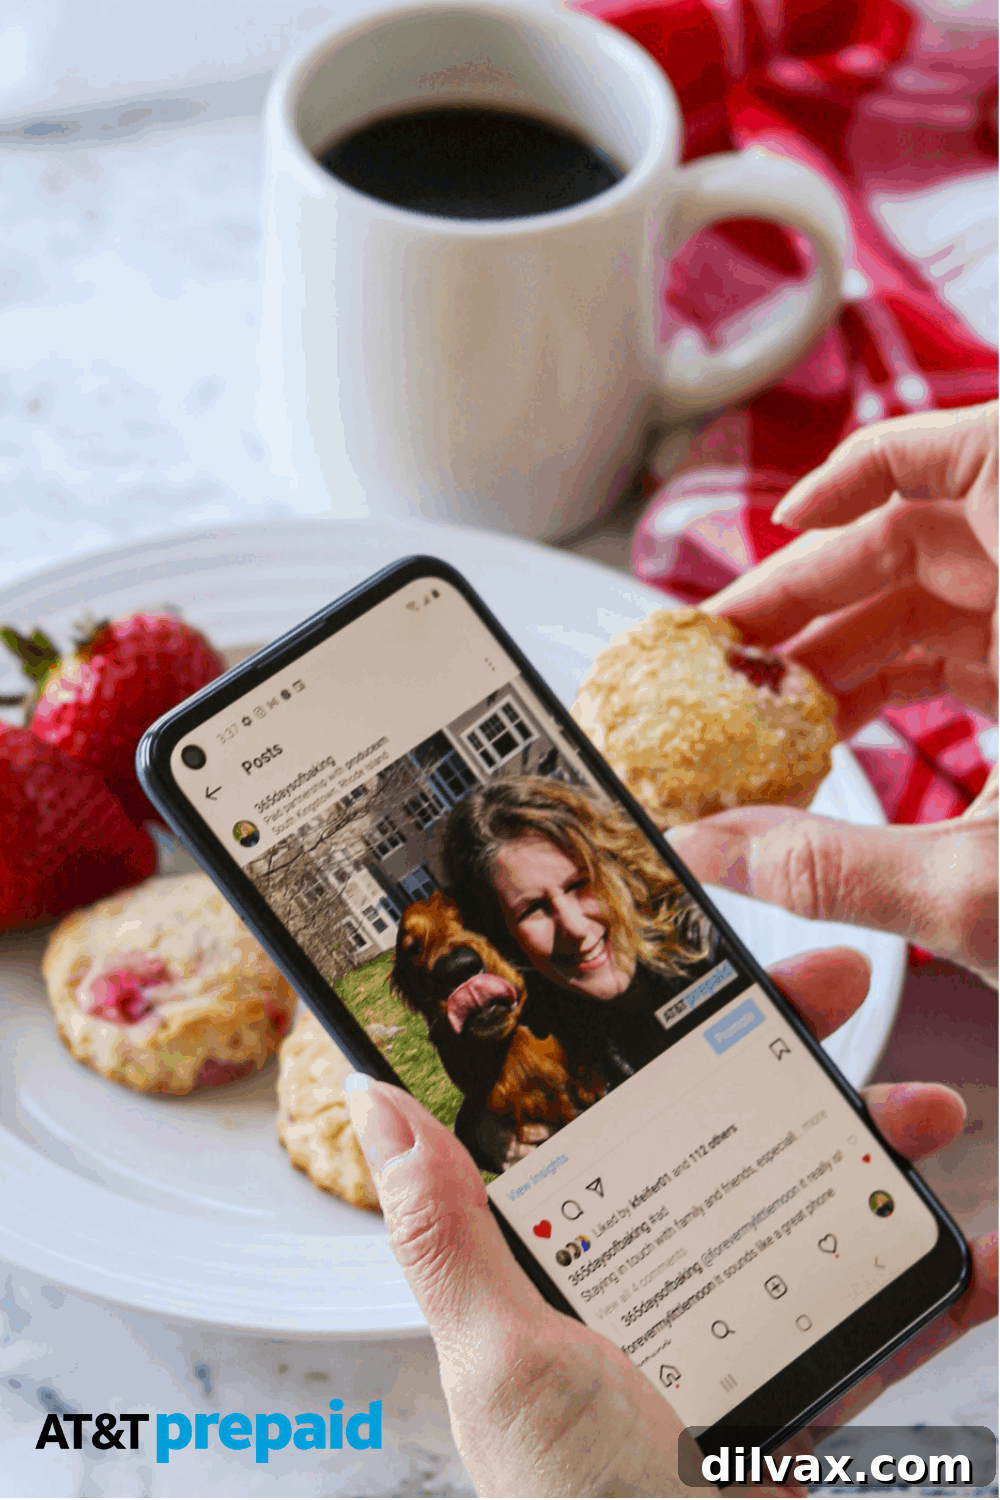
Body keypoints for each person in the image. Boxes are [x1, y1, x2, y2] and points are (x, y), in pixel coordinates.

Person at [345, 404, 997, 1496]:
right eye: (530, 916)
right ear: (497, 944)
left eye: (573, 888)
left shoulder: (697, 981)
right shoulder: (515, 1099)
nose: (575, 925)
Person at [439, 777, 721, 1082]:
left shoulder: (716, 940)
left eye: (580, 884)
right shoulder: (537, 1051)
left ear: (620, 867)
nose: (574, 927)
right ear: (500, 937)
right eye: (533, 909)